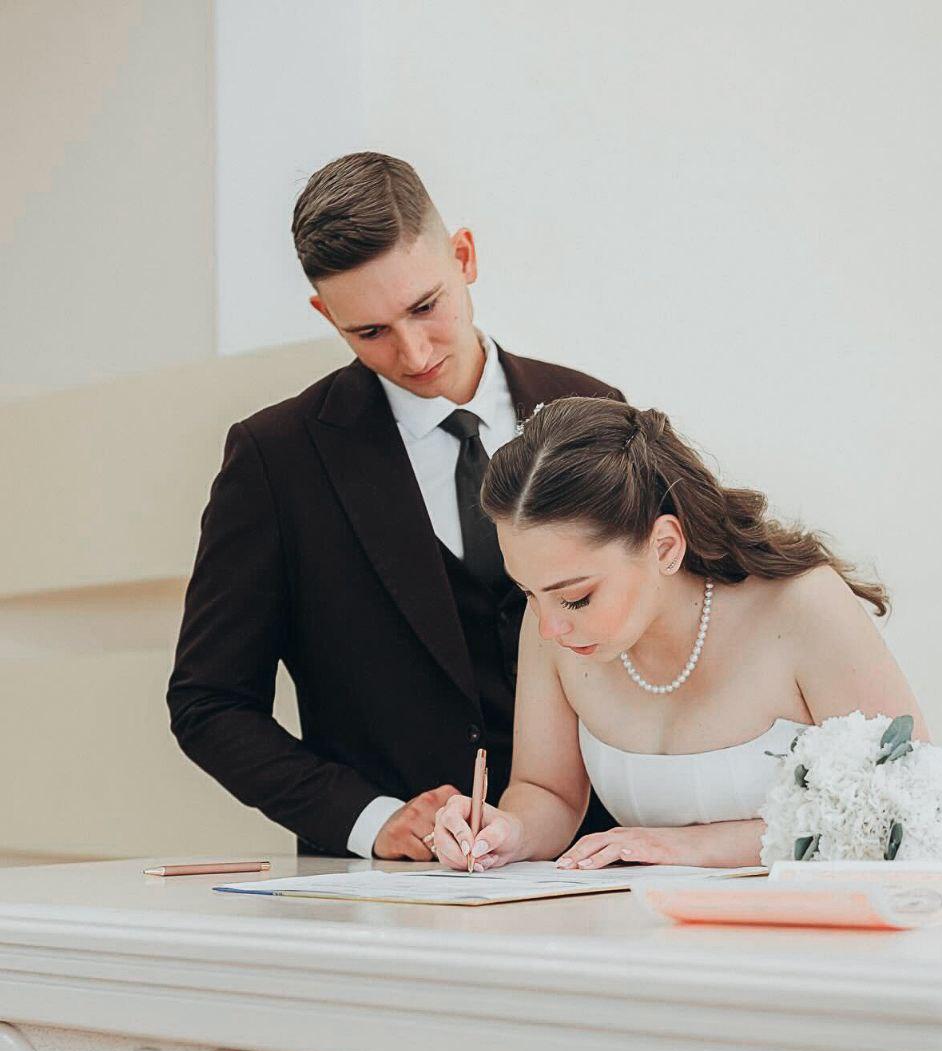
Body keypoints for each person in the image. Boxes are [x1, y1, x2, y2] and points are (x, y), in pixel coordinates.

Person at [167, 153, 622, 859]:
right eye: (370, 332)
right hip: (386, 889)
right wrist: (368, 819)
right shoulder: (276, 459)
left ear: (464, 257)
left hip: (597, 860)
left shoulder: (595, 411)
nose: (413, 353)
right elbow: (209, 703)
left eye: (424, 307)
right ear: (326, 315)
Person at [431, 397, 927, 871]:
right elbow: (548, 792)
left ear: (665, 546)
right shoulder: (552, 623)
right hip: (643, 920)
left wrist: (690, 847)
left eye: (577, 597)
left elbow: (907, 805)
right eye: (528, 592)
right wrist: (507, 832)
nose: (548, 627)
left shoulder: (803, 606)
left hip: (806, 922)